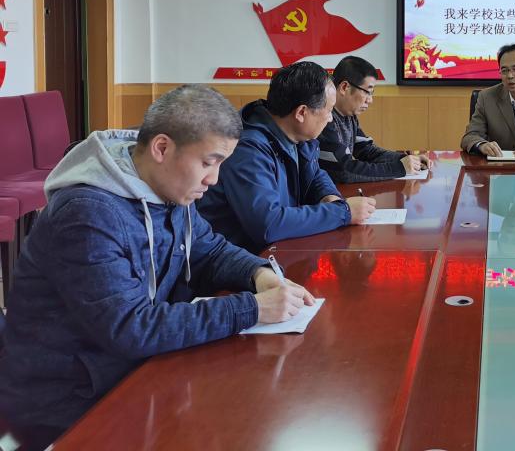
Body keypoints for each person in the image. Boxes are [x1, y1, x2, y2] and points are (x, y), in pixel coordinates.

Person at [0, 86, 315, 446]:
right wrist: (251, 309)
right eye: (208, 162)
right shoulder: (87, 214)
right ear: (162, 148)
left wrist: (258, 274)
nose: (213, 179)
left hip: (131, 371)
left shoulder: (168, 188)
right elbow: (130, 328)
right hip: (68, 399)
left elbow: (209, 250)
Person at [198, 61, 376, 253]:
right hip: (242, 259)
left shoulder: (297, 133)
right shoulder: (248, 150)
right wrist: (343, 213)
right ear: (301, 113)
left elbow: (315, 175)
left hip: (278, 250)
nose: (330, 118)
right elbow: (268, 224)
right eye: (328, 110)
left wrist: (329, 197)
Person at [318, 55, 431, 183]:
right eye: (367, 92)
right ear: (344, 87)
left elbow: (366, 151)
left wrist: (406, 159)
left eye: (372, 93)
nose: (370, 100)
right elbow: (344, 170)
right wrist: (398, 168)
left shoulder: (349, 115)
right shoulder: (324, 118)